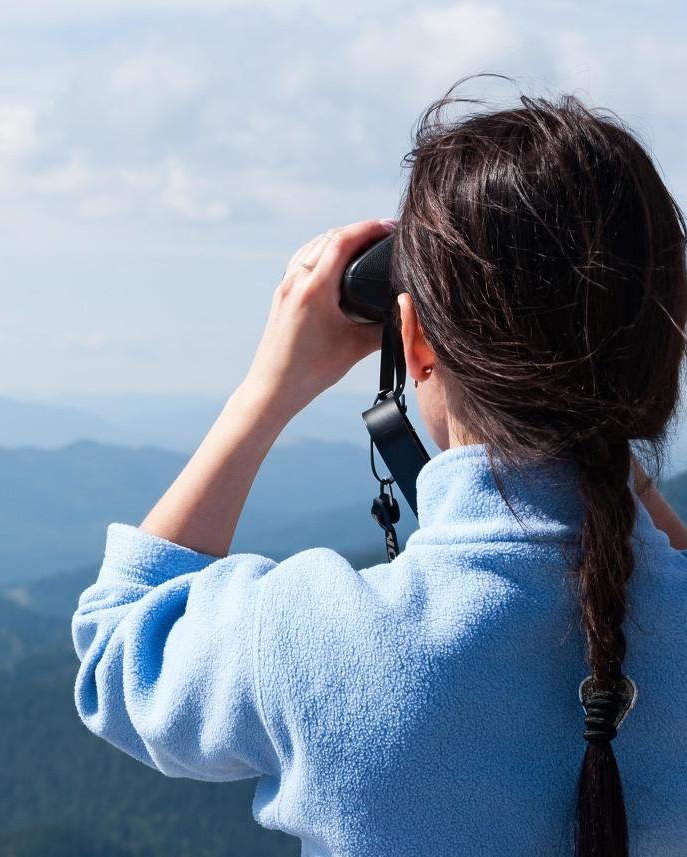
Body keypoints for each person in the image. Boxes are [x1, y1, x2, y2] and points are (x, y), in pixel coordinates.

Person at [71, 84, 687, 857]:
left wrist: (268, 388)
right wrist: (604, 436)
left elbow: (116, 645)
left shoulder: (313, 641)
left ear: (416, 340)